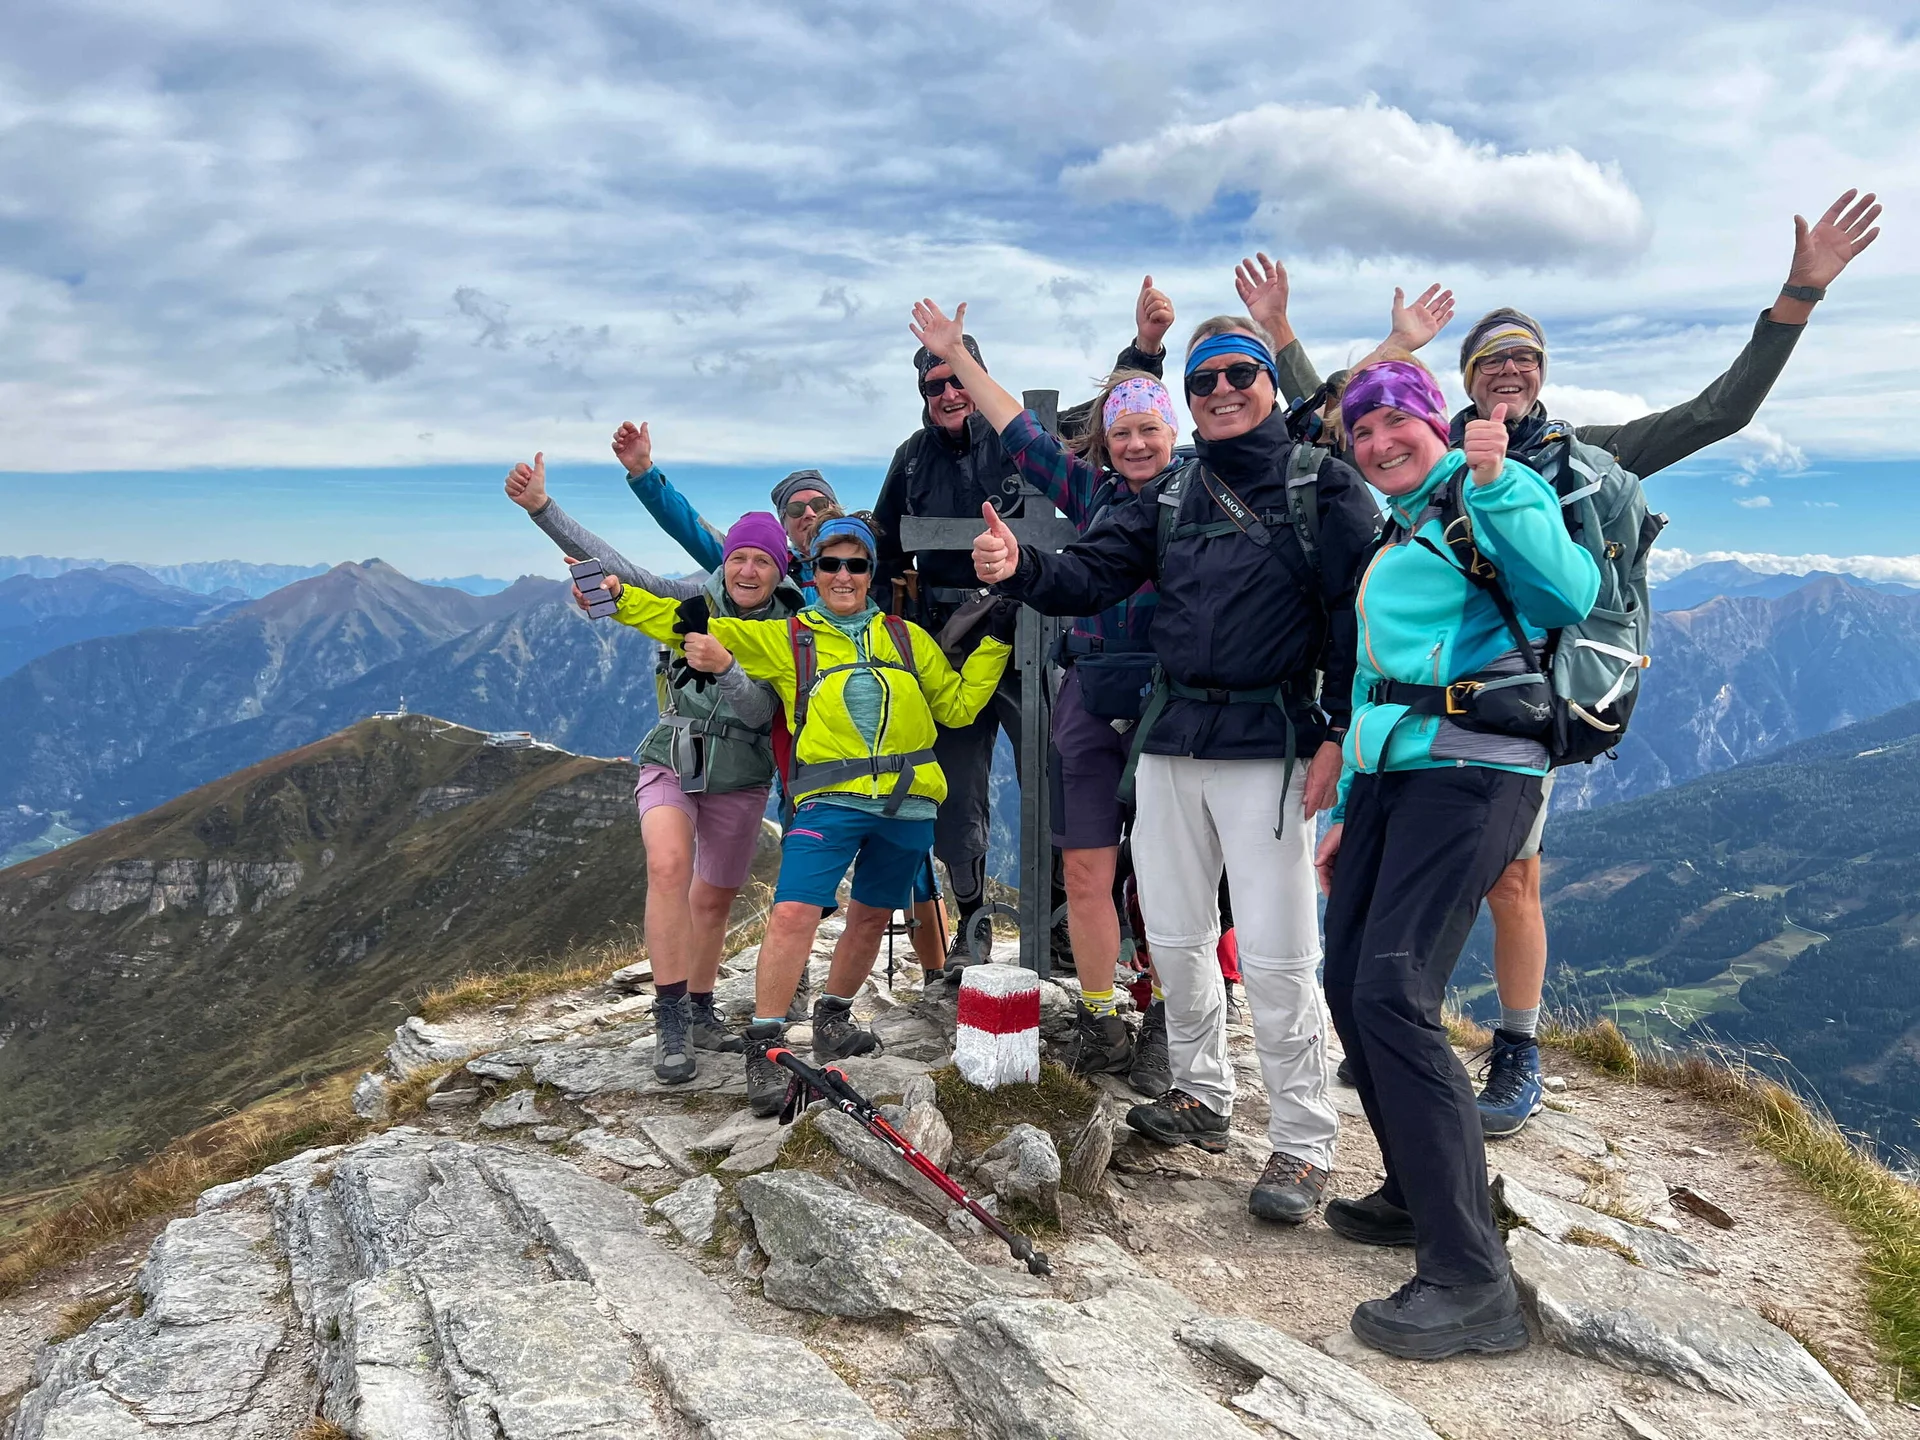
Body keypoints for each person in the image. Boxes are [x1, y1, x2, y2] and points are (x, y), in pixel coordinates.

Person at [1262, 190, 1884, 1135]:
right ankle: (1407, 1036)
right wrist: (1284, 336)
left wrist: (1796, 296)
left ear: (1544, 373)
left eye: (1524, 358)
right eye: (1489, 362)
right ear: (1464, 384)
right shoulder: (1430, 462)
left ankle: (1516, 1051)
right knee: (1417, 879)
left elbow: (1723, 411)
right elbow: (1343, 425)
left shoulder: (1586, 455)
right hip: (1434, 714)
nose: (1508, 372)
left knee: (1516, 880)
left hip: (1534, 698)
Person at [973, 309, 1381, 1226]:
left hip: (1271, 745)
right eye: (1205, 382)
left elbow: (1360, 625)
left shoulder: (1326, 488)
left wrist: (1336, 739)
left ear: (1269, 383)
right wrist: (1018, 570)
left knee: (1279, 953)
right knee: (1179, 931)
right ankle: (1203, 1093)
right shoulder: (1166, 499)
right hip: (1168, 740)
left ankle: (1305, 1142)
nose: (1224, 392)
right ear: (1189, 401)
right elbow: (1093, 576)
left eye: (1240, 374)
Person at [1315, 358, 1599, 1359]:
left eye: (1397, 422)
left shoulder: (1479, 496)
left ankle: (1471, 1280)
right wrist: (1351, 802)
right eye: (1362, 431)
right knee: (1347, 980)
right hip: (1400, 773)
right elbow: (1374, 680)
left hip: (1476, 769)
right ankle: (1419, 1189)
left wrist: (1497, 481)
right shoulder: (1400, 530)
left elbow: (1571, 588)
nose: (1379, 442)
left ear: (1437, 425)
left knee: (1392, 989)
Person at [601, 514, 1015, 1117]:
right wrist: (619, 599)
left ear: (872, 575)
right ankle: (765, 1046)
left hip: (909, 799)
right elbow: (685, 620)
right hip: (828, 798)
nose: (843, 576)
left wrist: (996, 643)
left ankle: (833, 1019)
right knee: (793, 912)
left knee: (872, 916)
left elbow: (955, 708)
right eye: (830, 564)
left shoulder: (906, 637)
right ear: (813, 572)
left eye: (856, 565)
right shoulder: (787, 636)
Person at [906, 296, 1181, 1092]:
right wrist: (957, 356)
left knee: (1166, 875)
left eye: (1149, 430)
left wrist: (1149, 350)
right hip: (1091, 691)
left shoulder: (1201, 496)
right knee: (1089, 869)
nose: (1134, 444)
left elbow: (1286, 430)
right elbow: (1021, 434)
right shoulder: (1093, 494)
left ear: (1173, 435)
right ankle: (1101, 1015)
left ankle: (1162, 1014)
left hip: (1174, 702)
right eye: (1123, 432)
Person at [508, 453, 803, 1082]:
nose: (747, 569)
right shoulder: (691, 600)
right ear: (726, 562)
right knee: (669, 867)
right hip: (671, 756)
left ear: (778, 571)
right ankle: (669, 1017)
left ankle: (700, 1008)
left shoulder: (793, 632)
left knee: (715, 898)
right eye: (739, 557)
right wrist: (542, 509)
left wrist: (725, 667)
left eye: (762, 561)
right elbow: (620, 570)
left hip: (742, 773)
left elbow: (758, 717)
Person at [610, 419, 838, 601]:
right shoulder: (767, 566)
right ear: (784, 528)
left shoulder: (870, 560)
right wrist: (644, 472)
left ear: (836, 511)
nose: (810, 514)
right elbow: (690, 529)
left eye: (819, 505)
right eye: (796, 509)